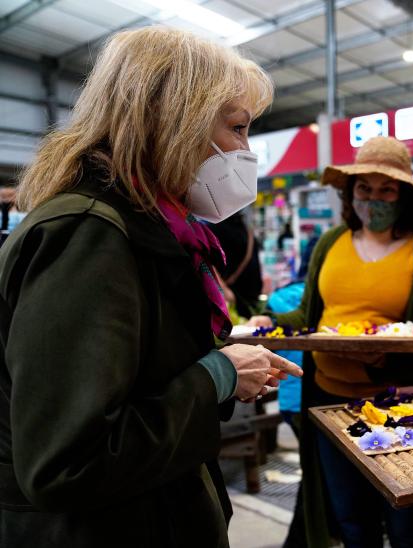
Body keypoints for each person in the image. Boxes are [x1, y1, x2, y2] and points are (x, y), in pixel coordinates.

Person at [0, 26, 302, 547]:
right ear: (176, 122)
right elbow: (68, 461)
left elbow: (130, 379)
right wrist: (216, 377)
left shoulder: (142, 228)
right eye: (237, 127)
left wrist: (225, 370)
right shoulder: (89, 237)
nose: (245, 151)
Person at [249, 136, 413, 547]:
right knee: (351, 521)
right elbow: (312, 315)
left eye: (386, 189)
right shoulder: (331, 243)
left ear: (405, 195)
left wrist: (382, 360)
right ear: (351, 193)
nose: (374, 199)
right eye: (365, 188)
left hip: (398, 416)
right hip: (329, 405)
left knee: (407, 526)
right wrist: (270, 321)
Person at [209, 210, 264, 319]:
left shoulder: (213, 228)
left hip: (234, 302)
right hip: (241, 301)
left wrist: (224, 291)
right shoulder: (246, 229)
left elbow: (207, 262)